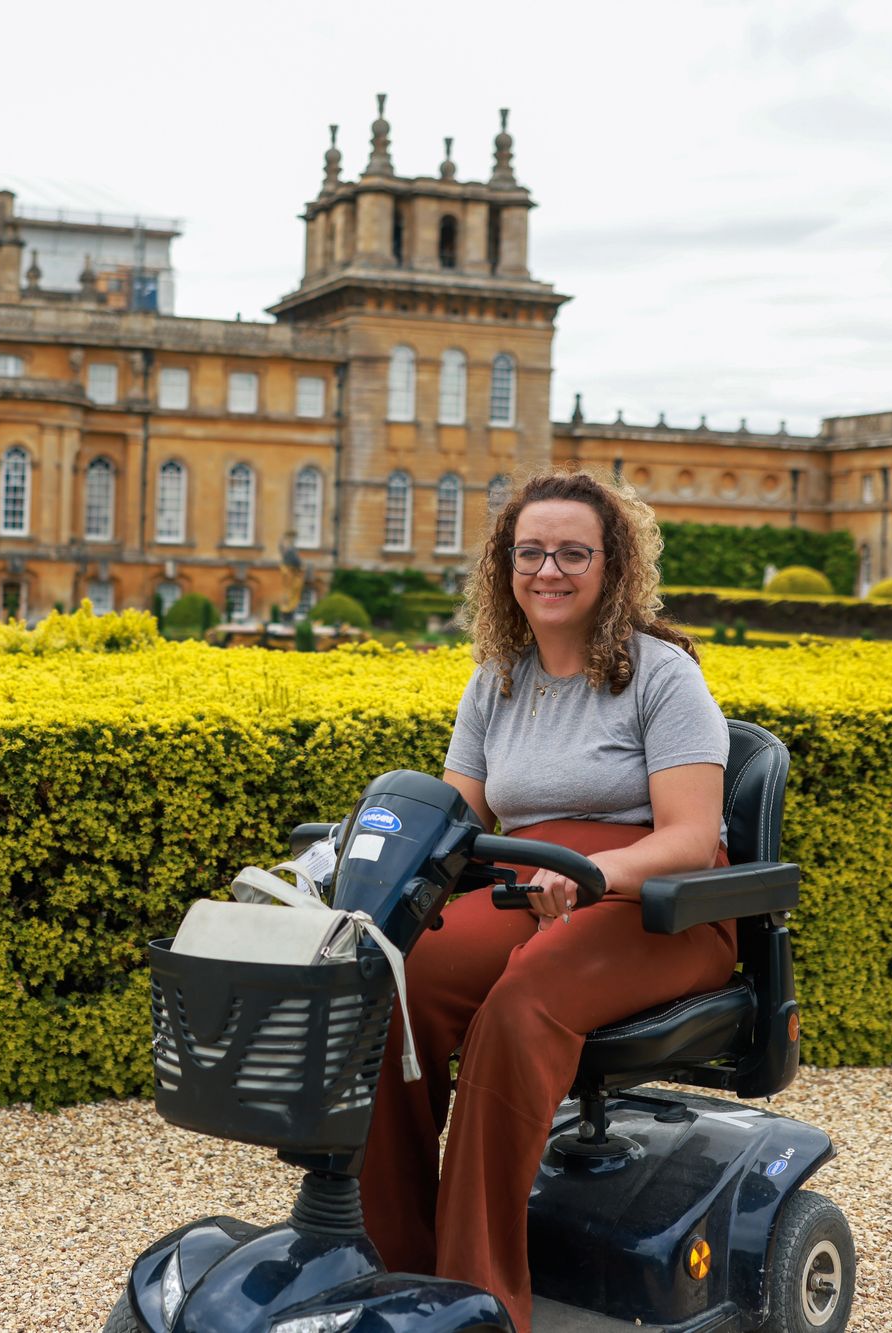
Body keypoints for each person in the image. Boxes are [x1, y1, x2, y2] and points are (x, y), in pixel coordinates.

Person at [358, 469, 736, 1333]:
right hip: (533, 884)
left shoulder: (661, 673)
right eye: (531, 551)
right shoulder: (498, 676)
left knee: (523, 1004)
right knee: (390, 986)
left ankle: (481, 1299)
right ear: (505, 564)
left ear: (613, 565)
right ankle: (398, 1270)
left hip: (662, 902)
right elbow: (460, 816)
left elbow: (688, 834)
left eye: (573, 551)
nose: (549, 569)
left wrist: (596, 870)